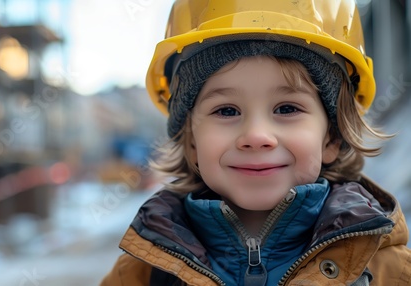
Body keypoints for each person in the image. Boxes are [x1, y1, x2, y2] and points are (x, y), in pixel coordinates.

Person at [101, 0, 411, 285]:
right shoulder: (141, 274)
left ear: (331, 137)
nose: (256, 136)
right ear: (192, 141)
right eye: (226, 110)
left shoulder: (389, 272)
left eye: (287, 109)